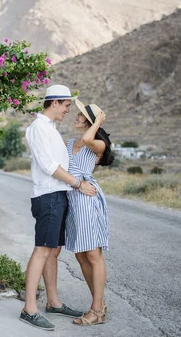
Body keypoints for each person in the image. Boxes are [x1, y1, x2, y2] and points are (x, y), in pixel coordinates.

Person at [20, 85, 97, 332]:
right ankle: (29, 308)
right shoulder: (38, 128)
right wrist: (78, 184)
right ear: (54, 102)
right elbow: (49, 166)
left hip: (58, 195)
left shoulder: (50, 128)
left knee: (53, 251)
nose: (67, 110)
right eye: (66, 105)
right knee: (42, 250)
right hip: (48, 196)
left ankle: (53, 303)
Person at [65, 99, 114, 326]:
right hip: (72, 199)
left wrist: (99, 122)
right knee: (80, 254)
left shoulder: (96, 144)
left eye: (81, 115)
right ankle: (99, 305)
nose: (76, 117)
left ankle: (96, 308)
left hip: (87, 199)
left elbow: (87, 138)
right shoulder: (69, 143)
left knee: (93, 255)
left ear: (91, 121)